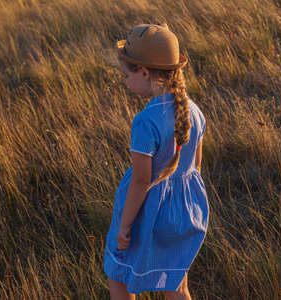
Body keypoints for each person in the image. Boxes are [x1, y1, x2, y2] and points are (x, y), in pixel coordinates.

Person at [103, 23, 208, 300]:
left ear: (145, 72)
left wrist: (125, 226)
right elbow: (194, 169)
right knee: (177, 284)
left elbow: (141, 180)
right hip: (183, 213)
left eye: (127, 76)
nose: (126, 83)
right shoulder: (194, 112)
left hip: (147, 212)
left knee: (118, 276)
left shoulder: (145, 122)